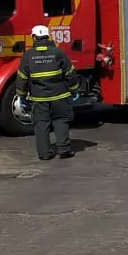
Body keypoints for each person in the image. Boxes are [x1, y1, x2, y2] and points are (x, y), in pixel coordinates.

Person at [14, 25, 79, 161]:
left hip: (39, 98)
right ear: (47, 37)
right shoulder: (58, 53)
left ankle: (44, 154)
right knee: (61, 121)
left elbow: (22, 78)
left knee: (41, 124)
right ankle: (64, 150)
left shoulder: (28, 56)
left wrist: (21, 96)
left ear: (34, 37)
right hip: (60, 96)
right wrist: (74, 90)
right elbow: (70, 73)